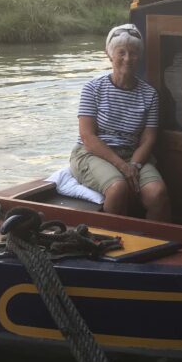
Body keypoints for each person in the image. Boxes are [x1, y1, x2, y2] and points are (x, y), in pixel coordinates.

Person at [70, 24, 171, 221]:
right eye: (121, 52)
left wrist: (133, 164)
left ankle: (153, 244)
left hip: (132, 155)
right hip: (92, 154)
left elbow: (148, 139)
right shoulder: (93, 88)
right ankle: (112, 242)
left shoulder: (149, 94)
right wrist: (122, 167)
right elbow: (87, 137)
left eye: (133, 53)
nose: (127, 58)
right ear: (109, 54)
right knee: (118, 189)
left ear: (139, 56)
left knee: (157, 193)